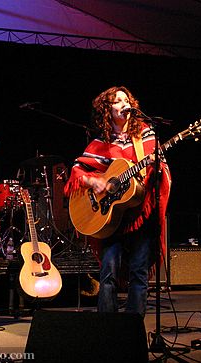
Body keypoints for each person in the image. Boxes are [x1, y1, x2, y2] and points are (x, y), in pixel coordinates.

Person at [64, 86, 171, 316]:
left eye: (126, 100)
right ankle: (107, 329)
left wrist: (157, 169)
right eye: (117, 101)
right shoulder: (100, 142)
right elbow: (77, 171)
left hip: (141, 214)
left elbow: (161, 170)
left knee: (139, 273)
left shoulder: (146, 134)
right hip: (112, 217)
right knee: (109, 273)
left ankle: (132, 331)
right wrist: (95, 183)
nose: (123, 104)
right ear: (107, 110)